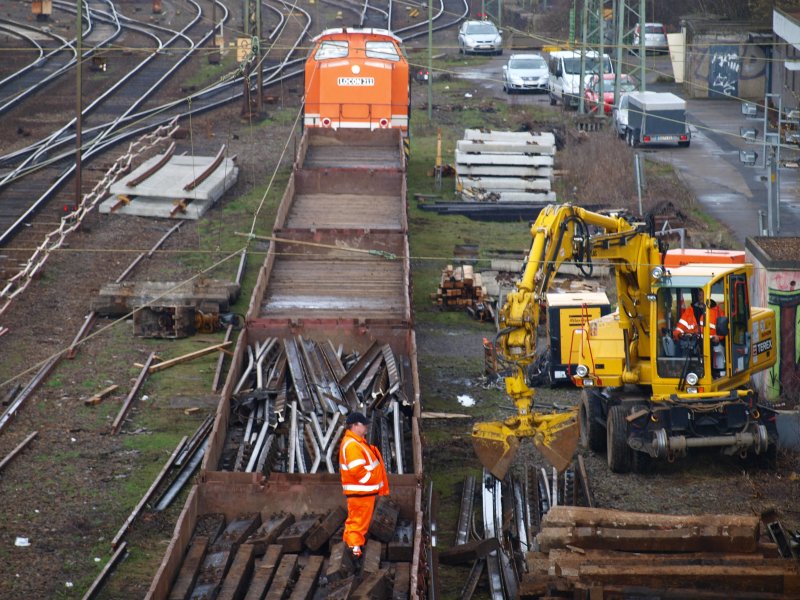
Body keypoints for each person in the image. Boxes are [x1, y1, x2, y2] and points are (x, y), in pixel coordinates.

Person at [338, 411, 389, 559]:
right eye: (363, 424)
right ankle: (354, 554)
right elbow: (357, 471)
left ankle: (349, 550)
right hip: (361, 493)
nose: (366, 427)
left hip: (361, 493)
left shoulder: (356, 442)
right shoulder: (352, 445)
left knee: (355, 524)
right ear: (354, 425)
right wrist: (372, 479)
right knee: (358, 526)